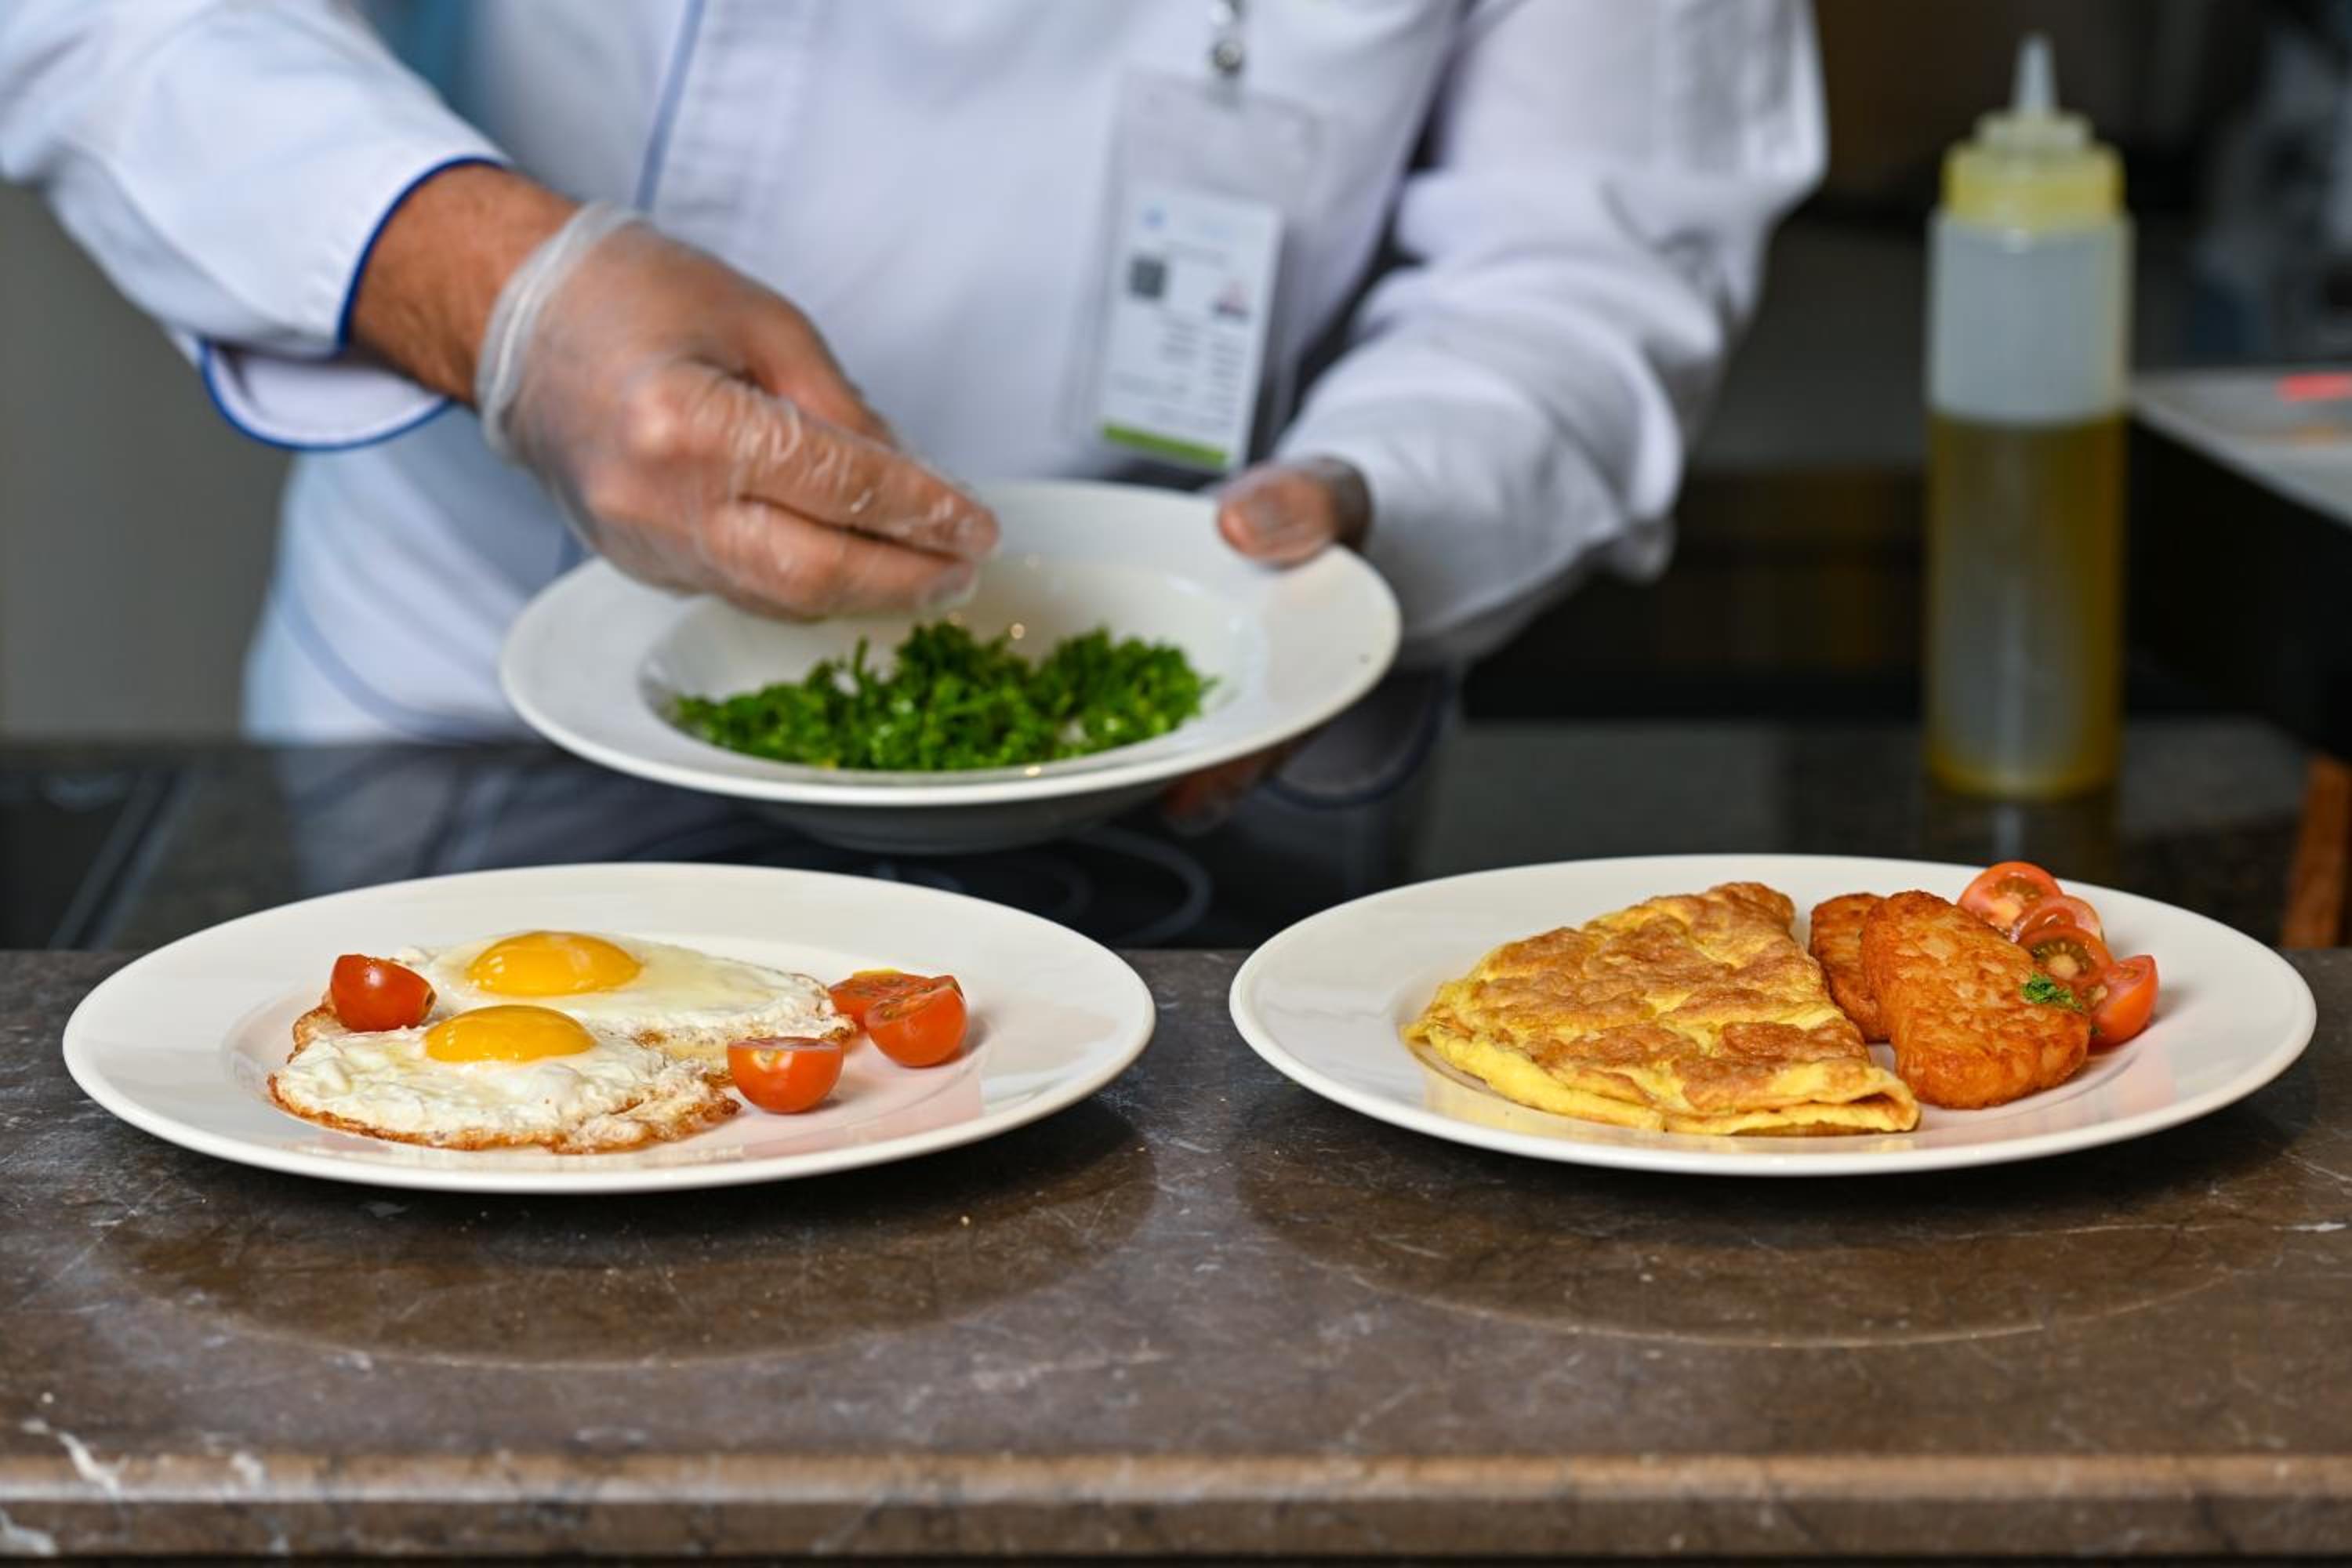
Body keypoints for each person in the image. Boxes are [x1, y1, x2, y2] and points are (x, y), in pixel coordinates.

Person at [0, 2, 1823, 823]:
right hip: (476, 697)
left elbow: (1591, 244)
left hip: (1203, 723)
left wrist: (1374, 498)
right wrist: (499, 297)